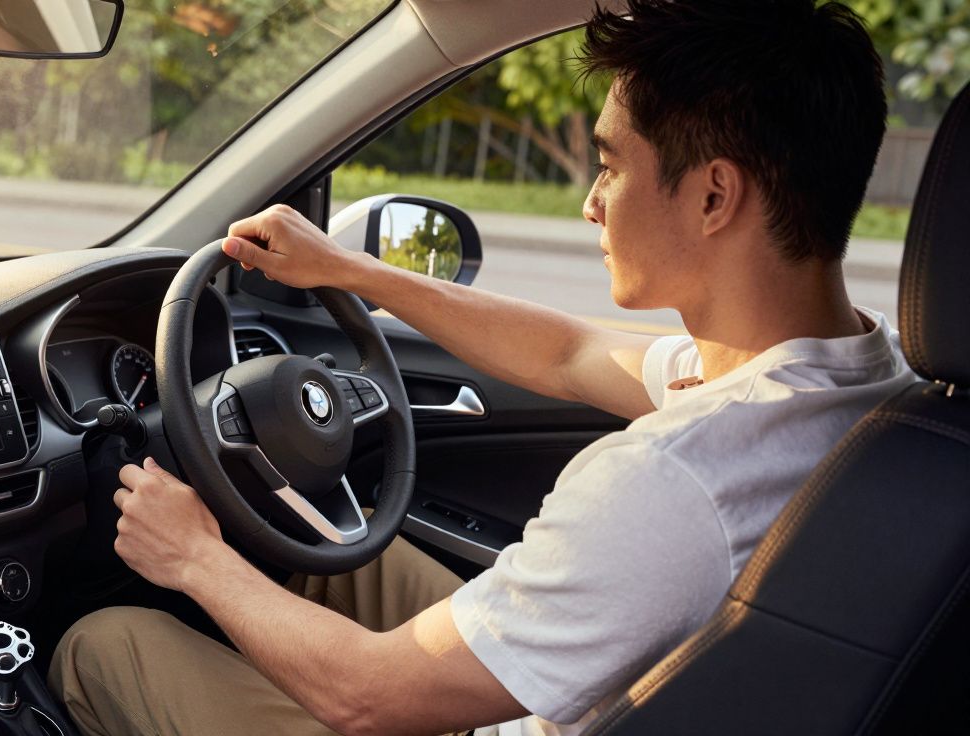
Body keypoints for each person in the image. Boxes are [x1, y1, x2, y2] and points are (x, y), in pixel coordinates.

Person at [49, 0, 916, 733]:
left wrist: (196, 556)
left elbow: (367, 695)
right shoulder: (863, 378)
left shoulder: (672, 482)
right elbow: (572, 354)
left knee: (109, 641)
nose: (589, 203)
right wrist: (350, 269)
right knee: (320, 550)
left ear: (714, 195)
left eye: (611, 165)